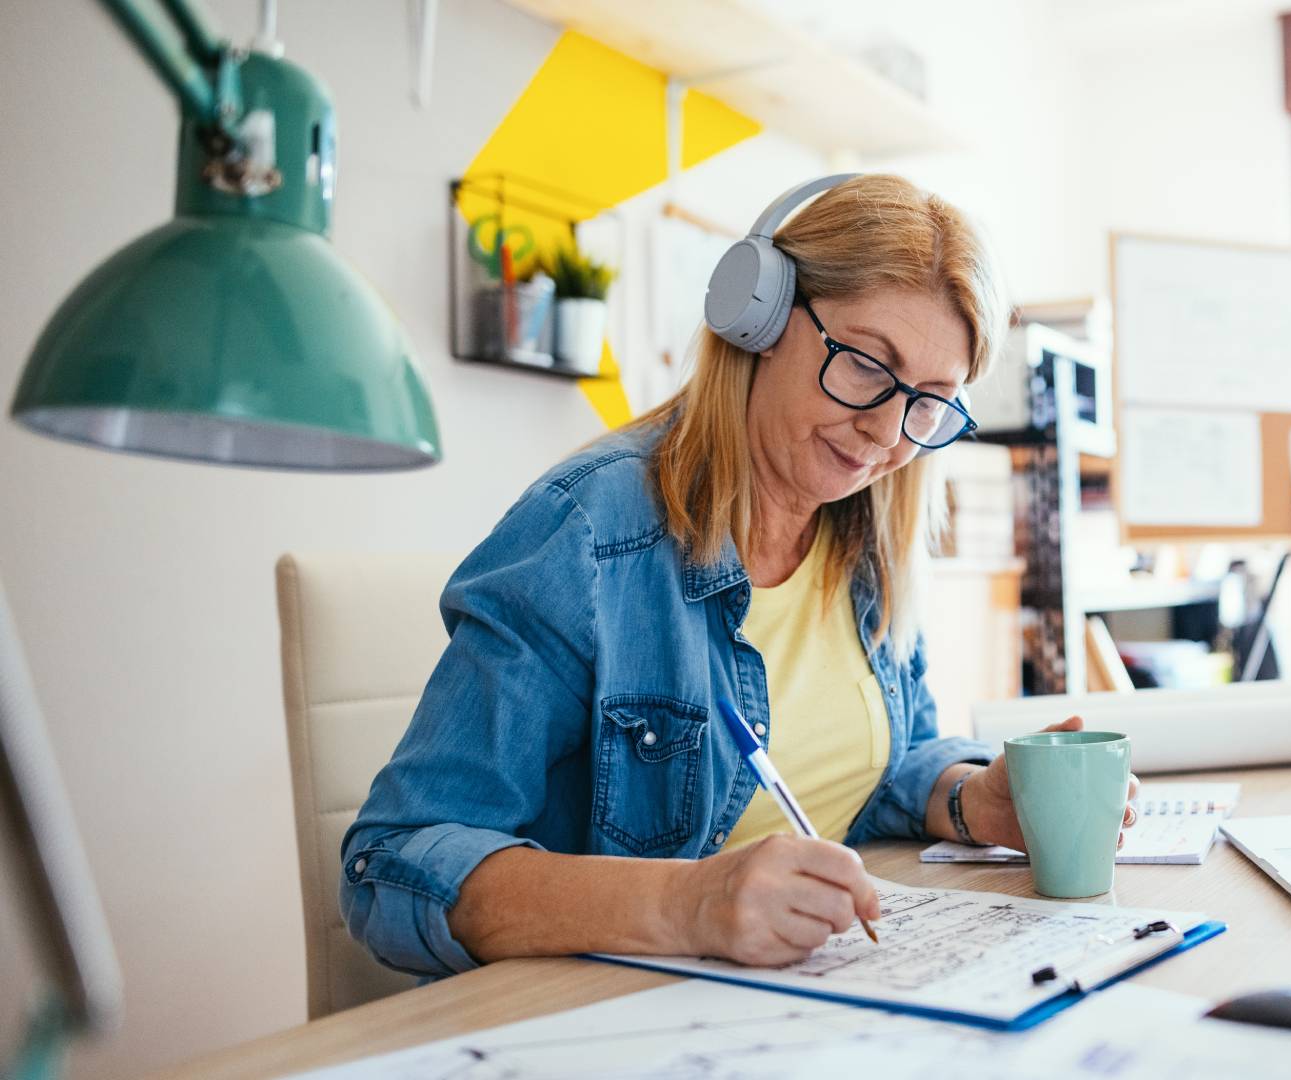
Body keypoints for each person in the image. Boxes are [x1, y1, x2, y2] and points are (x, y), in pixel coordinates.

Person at [340, 175, 1138, 979]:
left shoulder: (865, 533)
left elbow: (880, 762)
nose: (887, 433)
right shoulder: (587, 531)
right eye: (866, 364)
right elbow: (392, 862)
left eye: (929, 402)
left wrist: (972, 800)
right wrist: (686, 905)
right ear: (756, 317)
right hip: (604, 1017)